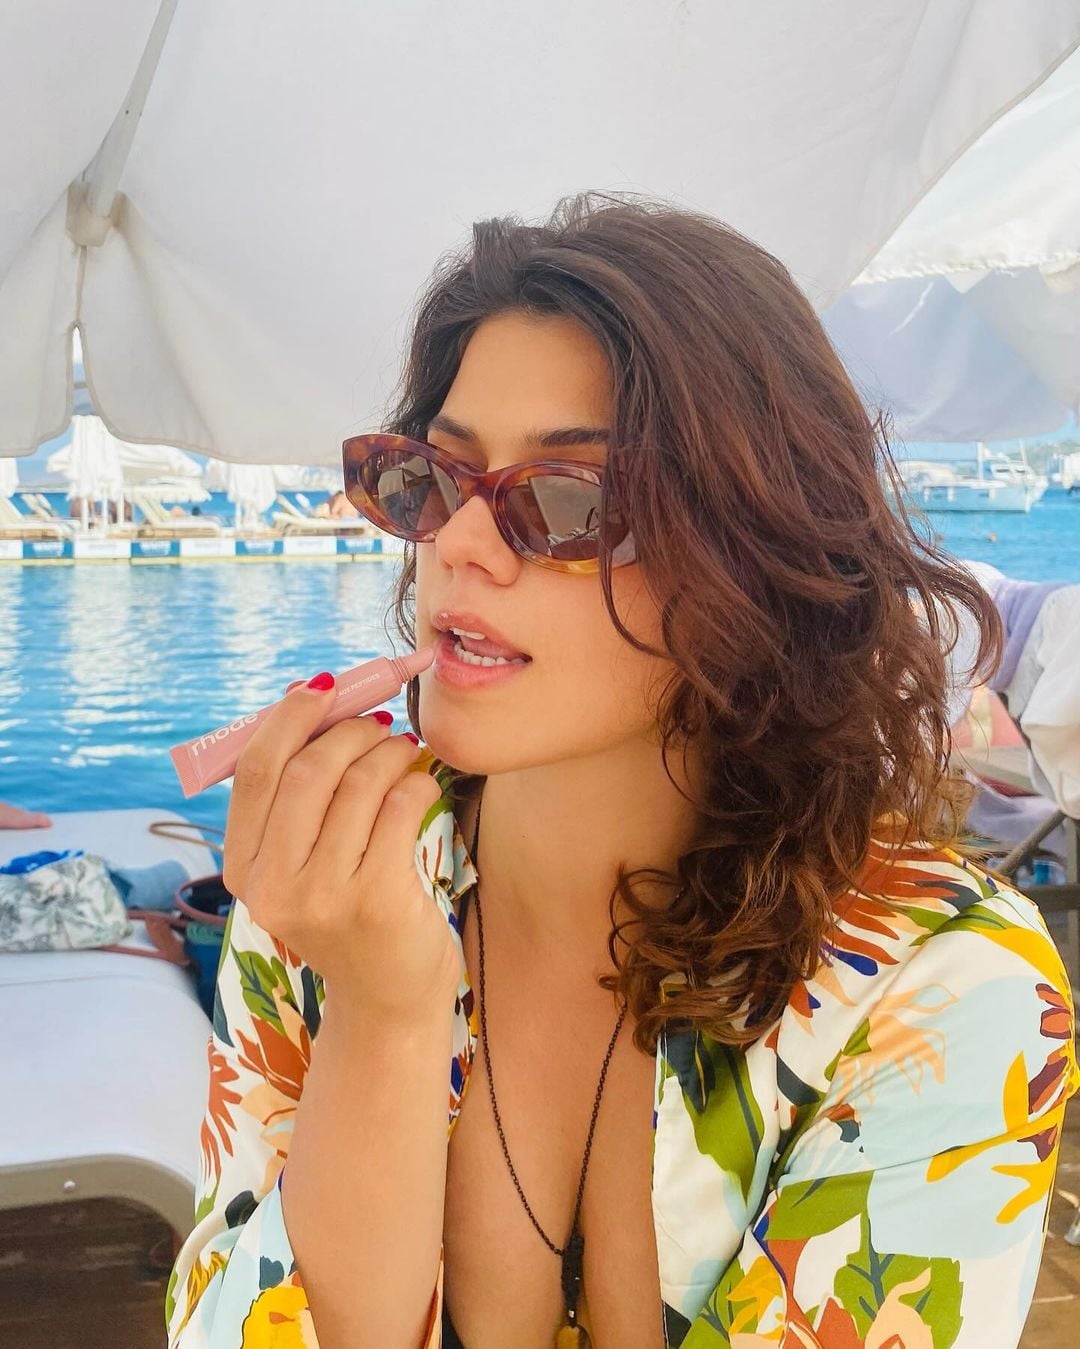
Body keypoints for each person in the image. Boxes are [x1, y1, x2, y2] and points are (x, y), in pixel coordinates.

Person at [166, 195, 1079, 1348]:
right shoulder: (331, 899)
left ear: (757, 554)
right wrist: (384, 1015)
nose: (457, 543)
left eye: (565, 501)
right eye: (434, 478)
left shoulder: (940, 985)